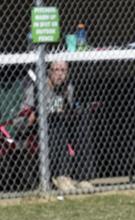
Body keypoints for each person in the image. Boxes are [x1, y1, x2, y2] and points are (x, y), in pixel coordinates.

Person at [15, 60, 92, 191]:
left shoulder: (68, 87)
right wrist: (33, 117)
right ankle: (61, 175)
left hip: (60, 125)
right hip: (34, 128)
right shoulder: (36, 88)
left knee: (82, 117)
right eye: (56, 70)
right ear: (49, 72)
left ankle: (82, 177)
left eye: (63, 71)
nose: (60, 74)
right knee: (54, 118)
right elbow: (20, 121)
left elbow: (66, 110)